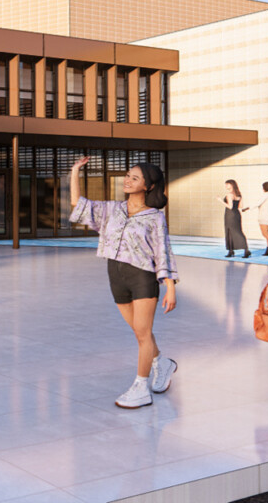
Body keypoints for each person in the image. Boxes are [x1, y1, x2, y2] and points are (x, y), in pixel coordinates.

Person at [67, 157, 179, 409]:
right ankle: (162, 363)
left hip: (142, 277)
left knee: (142, 334)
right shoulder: (112, 209)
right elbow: (78, 204)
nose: (127, 180)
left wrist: (170, 287)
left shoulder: (154, 217)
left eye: (135, 177)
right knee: (140, 332)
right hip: (115, 275)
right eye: (128, 175)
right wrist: (74, 171)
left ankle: (141, 386)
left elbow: (163, 251)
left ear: (149, 186)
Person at [219, 180, 250, 259]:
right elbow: (240, 206)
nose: (226, 186)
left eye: (227, 184)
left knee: (230, 232)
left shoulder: (229, 194)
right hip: (237, 214)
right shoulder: (239, 194)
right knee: (238, 231)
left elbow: (230, 206)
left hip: (230, 215)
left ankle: (231, 251)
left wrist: (220, 201)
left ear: (232, 185)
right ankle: (244, 250)